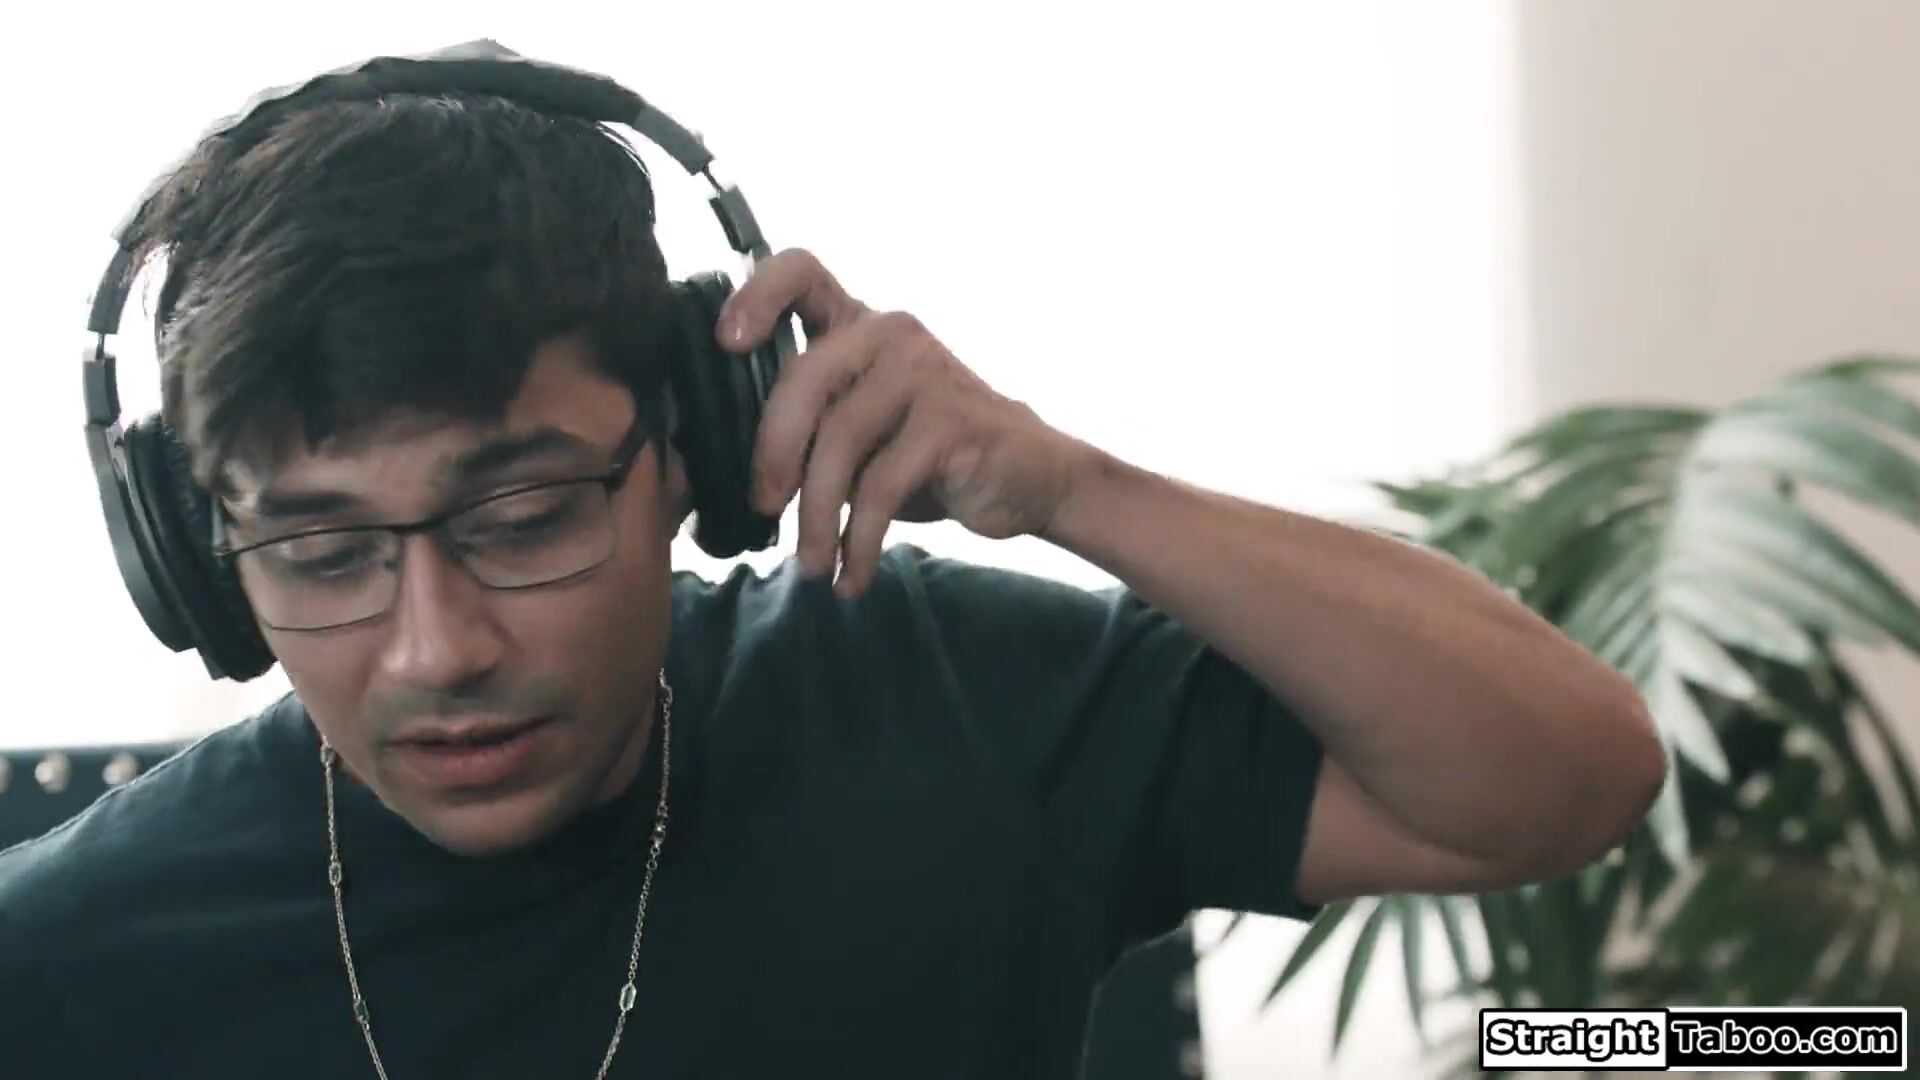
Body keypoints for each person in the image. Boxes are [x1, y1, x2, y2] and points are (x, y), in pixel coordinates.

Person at [0, 74, 1665, 1080]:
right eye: (321, 553)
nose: (435, 649)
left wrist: (1069, 486)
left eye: (524, 518)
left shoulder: (939, 697)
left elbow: (1561, 781)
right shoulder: (62, 964)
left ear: (701, 447)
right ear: (197, 561)